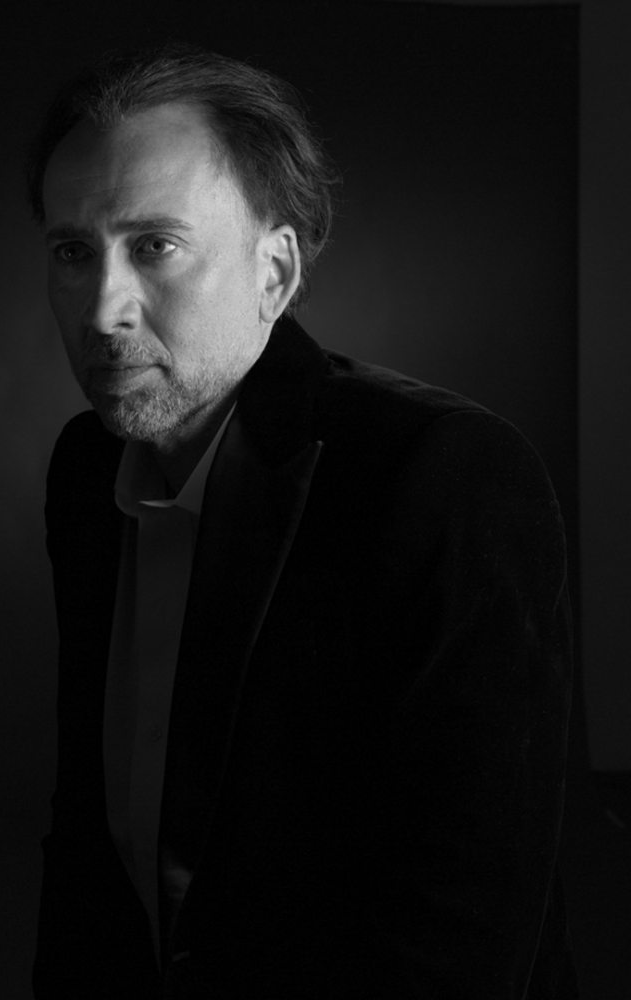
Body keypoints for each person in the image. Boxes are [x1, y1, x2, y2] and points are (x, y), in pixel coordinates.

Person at [28, 43, 577, 999]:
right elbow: (91, 829)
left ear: (275, 272)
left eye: (155, 246)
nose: (103, 308)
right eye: (74, 252)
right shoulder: (86, 468)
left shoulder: (446, 475)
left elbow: (467, 915)